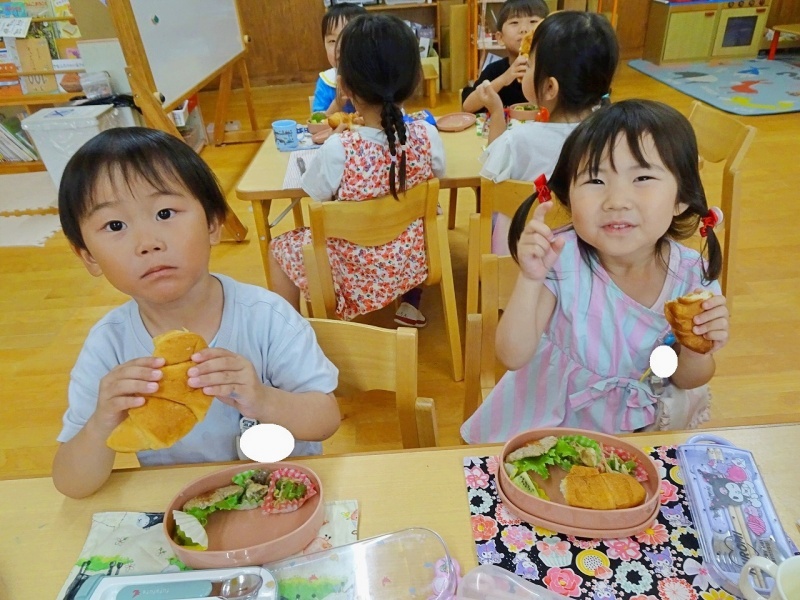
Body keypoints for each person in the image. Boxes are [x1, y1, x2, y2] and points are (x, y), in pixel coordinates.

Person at [52, 128, 341, 498]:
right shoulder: (108, 346)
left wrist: (262, 399)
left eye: (165, 213)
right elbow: (71, 484)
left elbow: (326, 420)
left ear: (213, 224)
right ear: (88, 256)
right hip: (190, 507)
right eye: (115, 225)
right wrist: (100, 423)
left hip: (283, 493)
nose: (148, 243)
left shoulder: (267, 317)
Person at [461, 100, 731, 443]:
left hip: (638, 434)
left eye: (643, 177)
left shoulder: (693, 278)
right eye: (595, 179)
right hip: (552, 426)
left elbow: (687, 378)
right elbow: (512, 356)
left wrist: (695, 348)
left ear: (681, 197)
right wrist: (530, 280)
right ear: (568, 195)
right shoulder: (562, 260)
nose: (616, 200)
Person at [270, 14, 445, 328]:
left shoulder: (339, 148)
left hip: (354, 274)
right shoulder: (427, 135)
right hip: (411, 260)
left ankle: (290, 332)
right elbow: (439, 173)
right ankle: (409, 300)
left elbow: (316, 193)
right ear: (415, 80)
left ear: (345, 87)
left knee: (278, 248)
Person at [477, 10, 619, 254]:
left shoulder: (518, 139)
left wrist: (497, 112)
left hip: (519, 255)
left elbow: (491, 177)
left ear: (550, 87)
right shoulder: (614, 137)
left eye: (530, 64)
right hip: (586, 255)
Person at [461, 0, 550, 113]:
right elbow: (468, 106)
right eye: (514, 22)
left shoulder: (553, 69)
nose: (524, 29)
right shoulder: (494, 70)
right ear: (500, 38)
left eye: (533, 21)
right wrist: (505, 78)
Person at [312, 3, 366, 115]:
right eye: (332, 41)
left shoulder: (376, 79)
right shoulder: (326, 82)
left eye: (348, 39)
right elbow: (316, 122)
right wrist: (337, 104)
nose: (339, 48)